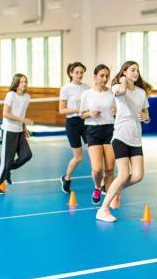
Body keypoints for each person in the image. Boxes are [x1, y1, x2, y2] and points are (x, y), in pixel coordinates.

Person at [97, 61, 151, 223]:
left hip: (136, 138)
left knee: (138, 175)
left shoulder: (141, 92)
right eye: (132, 70)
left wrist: (146, 118)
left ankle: (117, 191)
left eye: (137, 70)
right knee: (123, 174)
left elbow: (146, 115)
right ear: (125, 72)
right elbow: (121, 92)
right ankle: (103, 209)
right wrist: (122, 81)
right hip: (120, 136)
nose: (136, 73)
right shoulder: (117, 87)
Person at [0, 74, 33, 195]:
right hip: (9, 130)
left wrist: (24, 127)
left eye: (25, 81)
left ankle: (7, 169)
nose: (24, 84)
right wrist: (22, 120)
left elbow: (22, 114)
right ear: (16, 83)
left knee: (27, 155)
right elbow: (5, 114)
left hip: (19, 131)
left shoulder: (27, 97)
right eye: (22, 81)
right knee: (6, 160)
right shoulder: (10, 95)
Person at [78, 64, 116, 205]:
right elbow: (82, 115)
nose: (105, 78)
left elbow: (118, 110)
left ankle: (108, 199)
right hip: (93, 130)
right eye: (101, 75)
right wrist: (90, 113)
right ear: (95, 76)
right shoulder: (87, 94)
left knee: (110, 168)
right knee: (97, 169)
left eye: (107, 76)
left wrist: (116, 112)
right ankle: (97, 187)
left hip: (110, 130)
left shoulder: (112, 92)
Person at [59, 62, 90, 194]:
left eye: (81, 72)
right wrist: (77, 109)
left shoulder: (87, 88)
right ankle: (66, 178)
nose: (79, 75)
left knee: (95, 153)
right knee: (78, 157)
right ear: (71, 73)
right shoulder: (65, 89)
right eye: (76, 72)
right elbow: (61, 110)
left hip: (87, 122)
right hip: (72, 123)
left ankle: (100, 184)